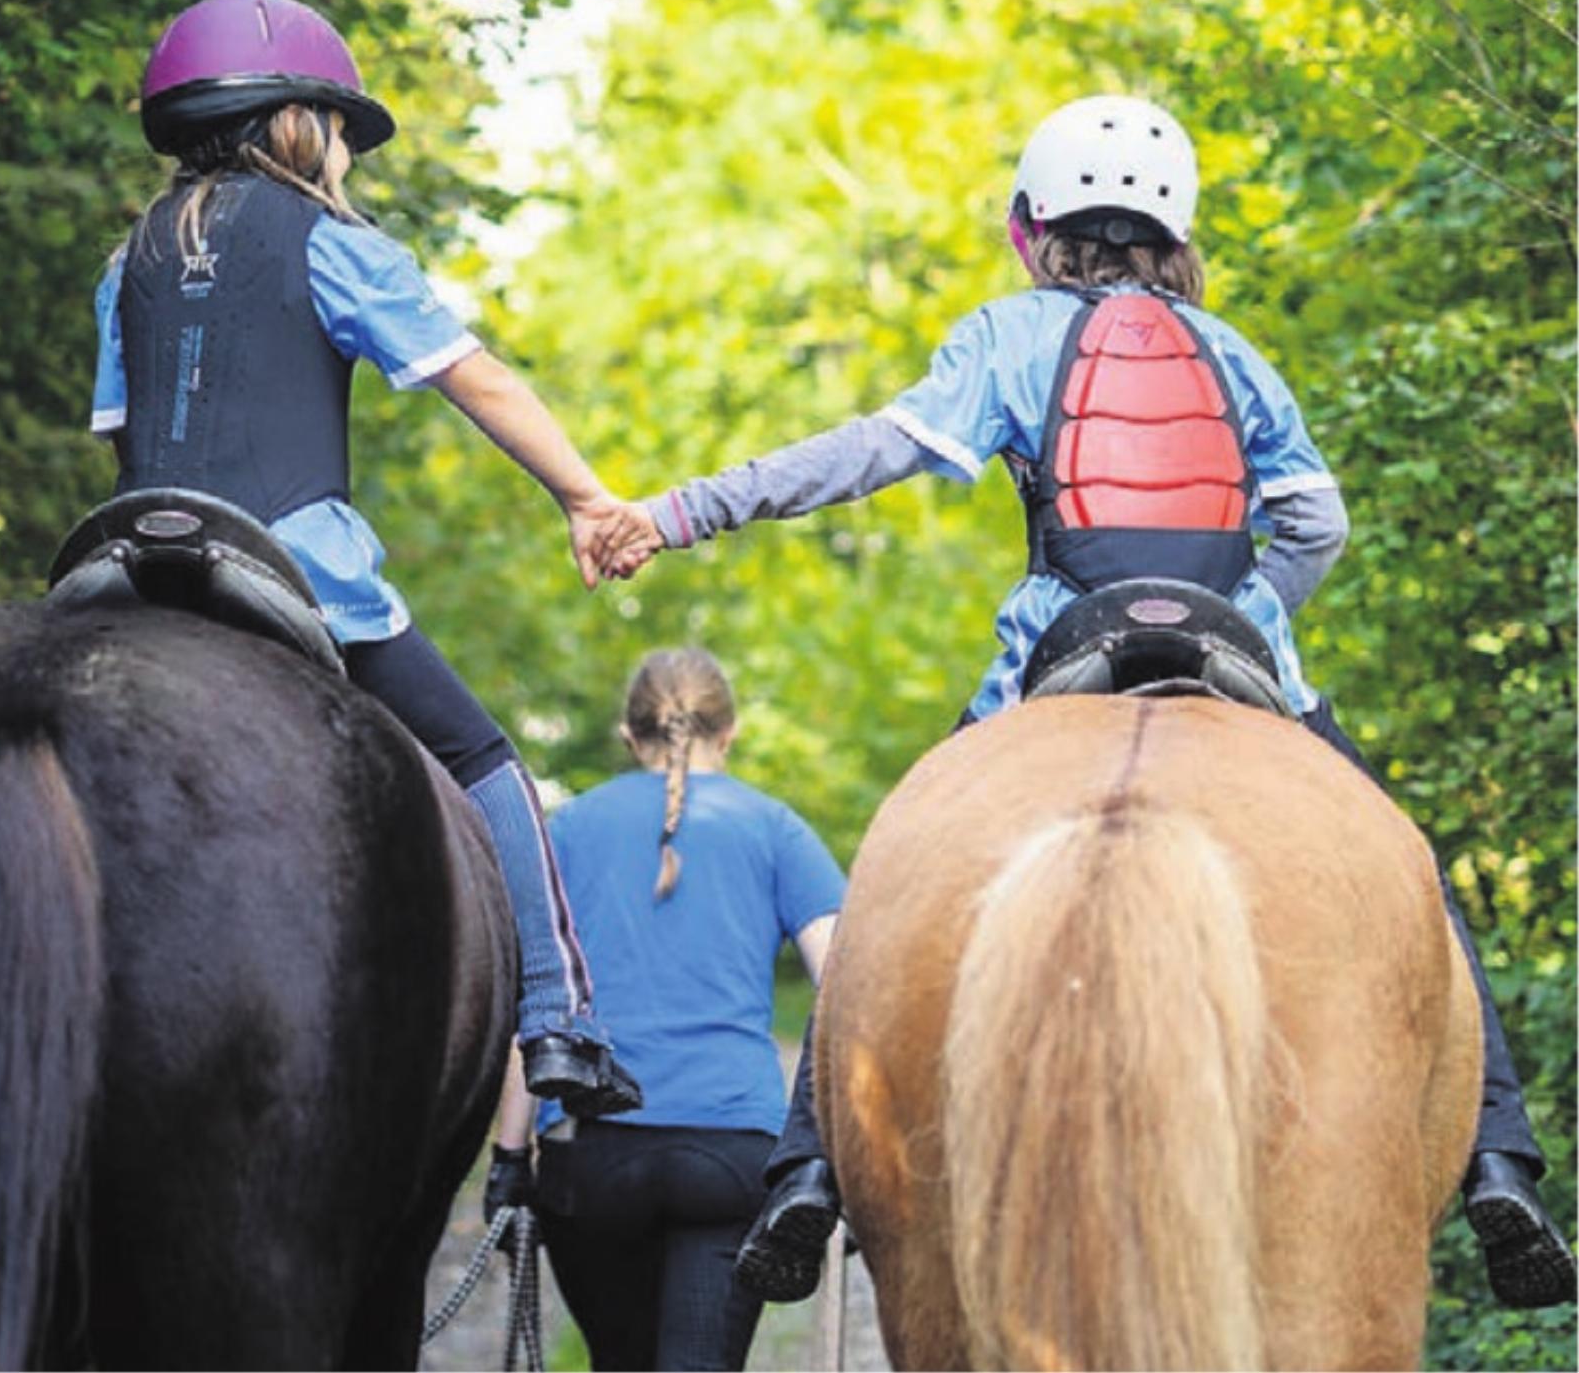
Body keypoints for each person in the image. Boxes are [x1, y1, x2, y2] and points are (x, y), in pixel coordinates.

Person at [589, 95, 1575, 1310]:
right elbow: (1320, 519)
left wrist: (684, 509)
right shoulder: (1234, 352)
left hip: (1060, 649)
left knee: (904, 854)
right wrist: (1261, 608)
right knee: (1407, 866)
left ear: (1030, 229)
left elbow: (867, 451)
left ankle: (805, 1167)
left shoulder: (1008, 335)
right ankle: (1500, 1156)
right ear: (1176, 233)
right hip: (1233, 641)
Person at [88, 0, 643, 1116]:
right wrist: (586, 494)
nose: (346, 152)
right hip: (291, 564)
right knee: (489, 762)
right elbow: (469, 374)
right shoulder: (333, 243)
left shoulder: (125, 262)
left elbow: (115, 430)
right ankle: (559, 1020)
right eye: (341, 129)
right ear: (298, 124)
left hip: (126, 567)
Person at [483, 648, 844, 1370]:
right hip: (736, 1151)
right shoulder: (774, 827)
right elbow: (845, 983)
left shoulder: (566, 831)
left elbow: (538, 1004)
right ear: (730, 732)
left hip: (592, 1155)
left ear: (628, 733)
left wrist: (509, 1157)